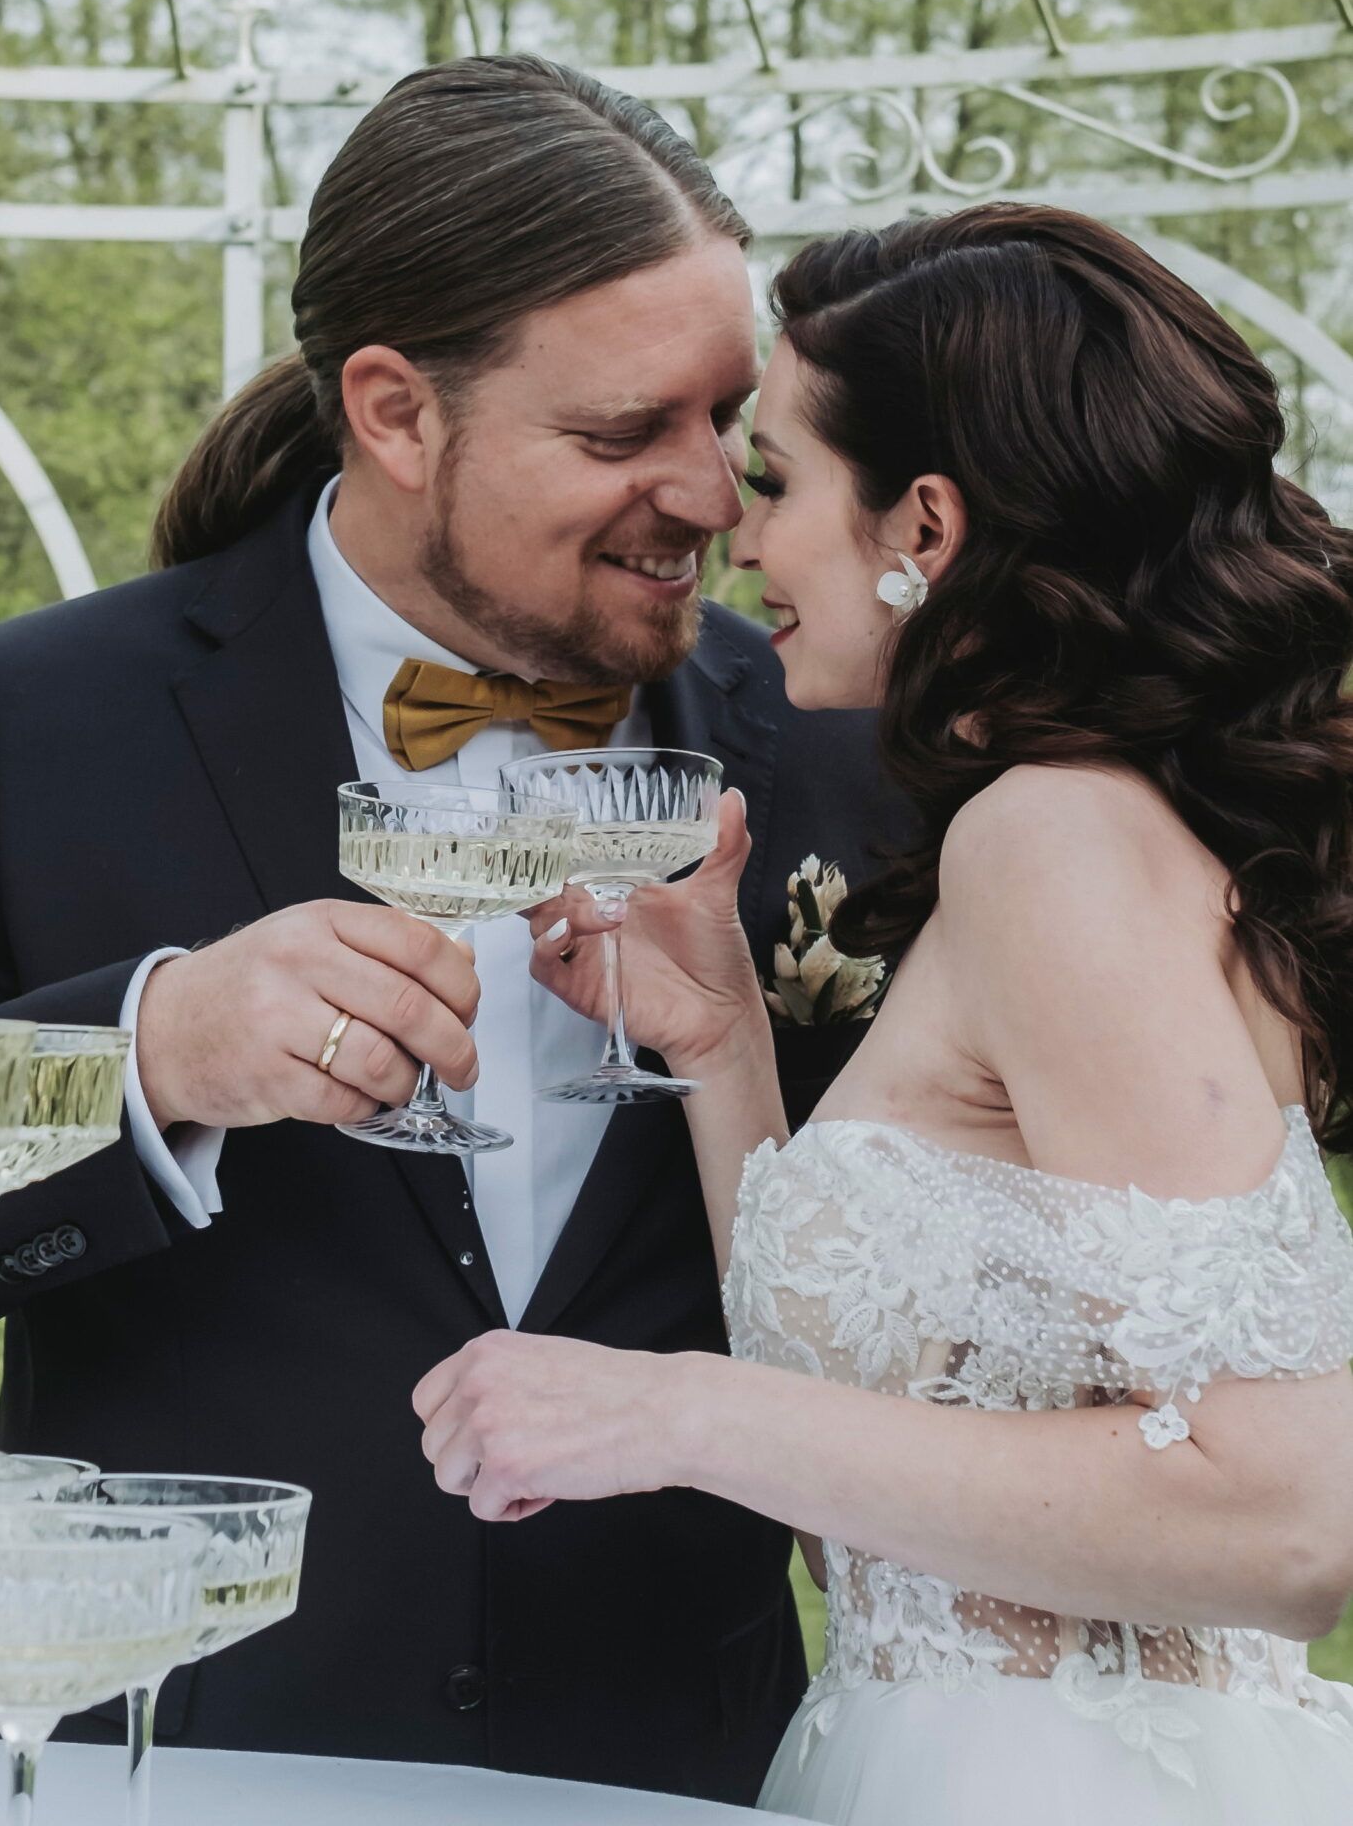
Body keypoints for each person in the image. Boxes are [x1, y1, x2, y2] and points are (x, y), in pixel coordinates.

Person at [0, 55, 906, 1805]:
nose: (713, 494)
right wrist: (147, 1057)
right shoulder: (42, 722)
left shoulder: (845, 746)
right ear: (397, 414)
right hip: (160, 1775)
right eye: (626, 433)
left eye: (726, 418)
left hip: (675, 1774)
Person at [414, 204, 1353, 1825]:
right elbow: (927, 1433)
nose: (735, 535)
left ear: (925, 520)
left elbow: (1284, 1521)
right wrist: (723, 1050)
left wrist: (673, 1411)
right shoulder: (1067, 820)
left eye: (777, 480)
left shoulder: (1056, 838)